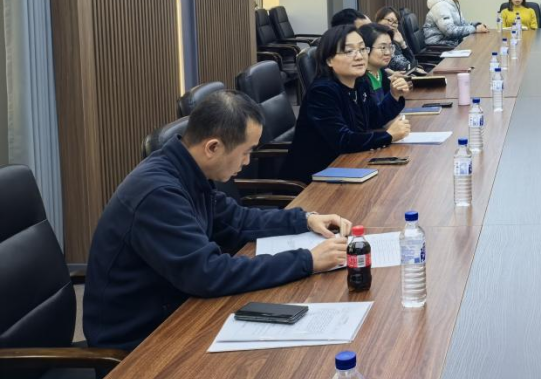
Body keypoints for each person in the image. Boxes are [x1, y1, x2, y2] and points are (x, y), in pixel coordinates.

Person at [84, 91, 352, 351]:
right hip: (142, 341)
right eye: (246, 152)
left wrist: (305, 220)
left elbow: (238, 220)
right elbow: (208, 273)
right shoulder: (158, 194)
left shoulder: (186, 171)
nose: (247, 161)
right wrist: (307, 260)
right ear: (212, 147)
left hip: (182, 310)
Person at [282, 24, 411, 183]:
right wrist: (388, 136)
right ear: (329, 60)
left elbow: (374, 119)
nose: (359, 56)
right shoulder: (322, 92)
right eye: (349, 51)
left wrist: (394, 95)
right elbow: (343, 140)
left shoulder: (360, 83)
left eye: (362, 49)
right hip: (315, 178)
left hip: (349, 165)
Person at [423, 0, 487, 48]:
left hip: (450, 44)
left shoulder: (453, 3)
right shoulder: (441, 6)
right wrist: (475, 29)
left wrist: (477, 24)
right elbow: (450, 31)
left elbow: (462, 24)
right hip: (438, 46)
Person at [374, 6, 424, 75]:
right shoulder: (375, 41)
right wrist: (393, 74)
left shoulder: (395, 39)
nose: (393, 24)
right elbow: (380, 68)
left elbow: (412, 61)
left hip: (410, 73)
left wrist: (402, 43)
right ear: (379, 20)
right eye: (389, 20)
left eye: (395, 22)